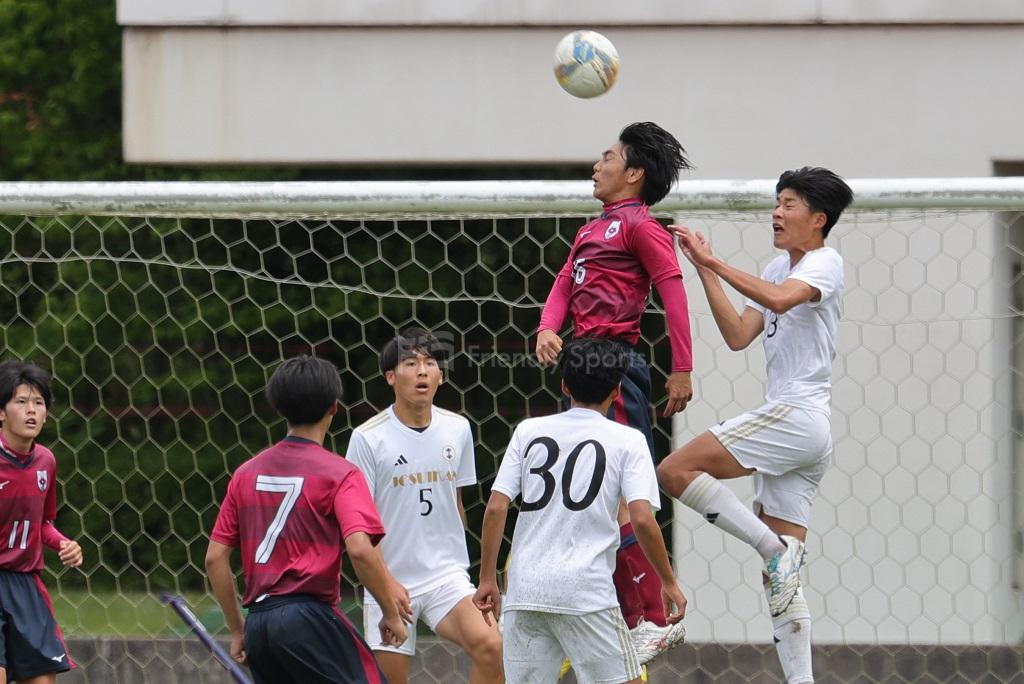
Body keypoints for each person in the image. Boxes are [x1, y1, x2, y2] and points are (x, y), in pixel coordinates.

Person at [657, 167, 854, 684]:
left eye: (788, 204)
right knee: (781, 583)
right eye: (777, 202)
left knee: (674, 470)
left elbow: (782, 299)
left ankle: (771, 548)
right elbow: (739, 335)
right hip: (801, 431)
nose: (776, 213)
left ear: (818, 219)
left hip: (797, 416)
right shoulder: (775, 266)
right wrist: (704, 271)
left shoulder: (825, 261)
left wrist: (715, 261)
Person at [534, 121, 693, 654]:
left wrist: (682, 367)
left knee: (624, 495)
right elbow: (564, 281)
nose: (596, 165)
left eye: (607, 156)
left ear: (633, 173)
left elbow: (673, 292)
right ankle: (627, 616)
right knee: (594, 497)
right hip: (581, 365)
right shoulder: (591, 230)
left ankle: (653, 617)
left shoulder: (642, 227)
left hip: (616, 366)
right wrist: (547, 327)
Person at [474, 337, 687, 684]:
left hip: (525, 590)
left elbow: (497, 507)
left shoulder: (528, 431)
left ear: (564, 386)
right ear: (617, 391)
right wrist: (668, 581)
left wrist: (487, 579)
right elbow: (642, 519)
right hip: (587, 592)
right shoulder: (627, 440)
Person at [206, 355, 412, 684]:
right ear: (333, 407)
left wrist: (237, 629)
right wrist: (389, 611)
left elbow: (215, 557)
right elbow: (360, 549)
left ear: (278, 408)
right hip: (308, 618)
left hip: (259, 622)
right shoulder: (340, 474)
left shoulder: (245, 474)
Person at [346, 328, 504, 684]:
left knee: (492, 646)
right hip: (389, 578)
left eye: (430, 363)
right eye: (410, 363)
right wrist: (384, 583)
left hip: (445, 575)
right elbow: (360, 526)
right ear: (390, 376)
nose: (422, 371)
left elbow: (456, 503)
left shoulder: (458, 429)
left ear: (440, 376)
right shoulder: (367, 438)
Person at [0, 360, 82, 684]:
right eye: (21, 401)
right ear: (1, 412)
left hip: (25, 584)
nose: (31, 410)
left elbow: (42, 522)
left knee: (43, 679)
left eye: (39, 402)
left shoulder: (46, 461)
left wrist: (64, 543)